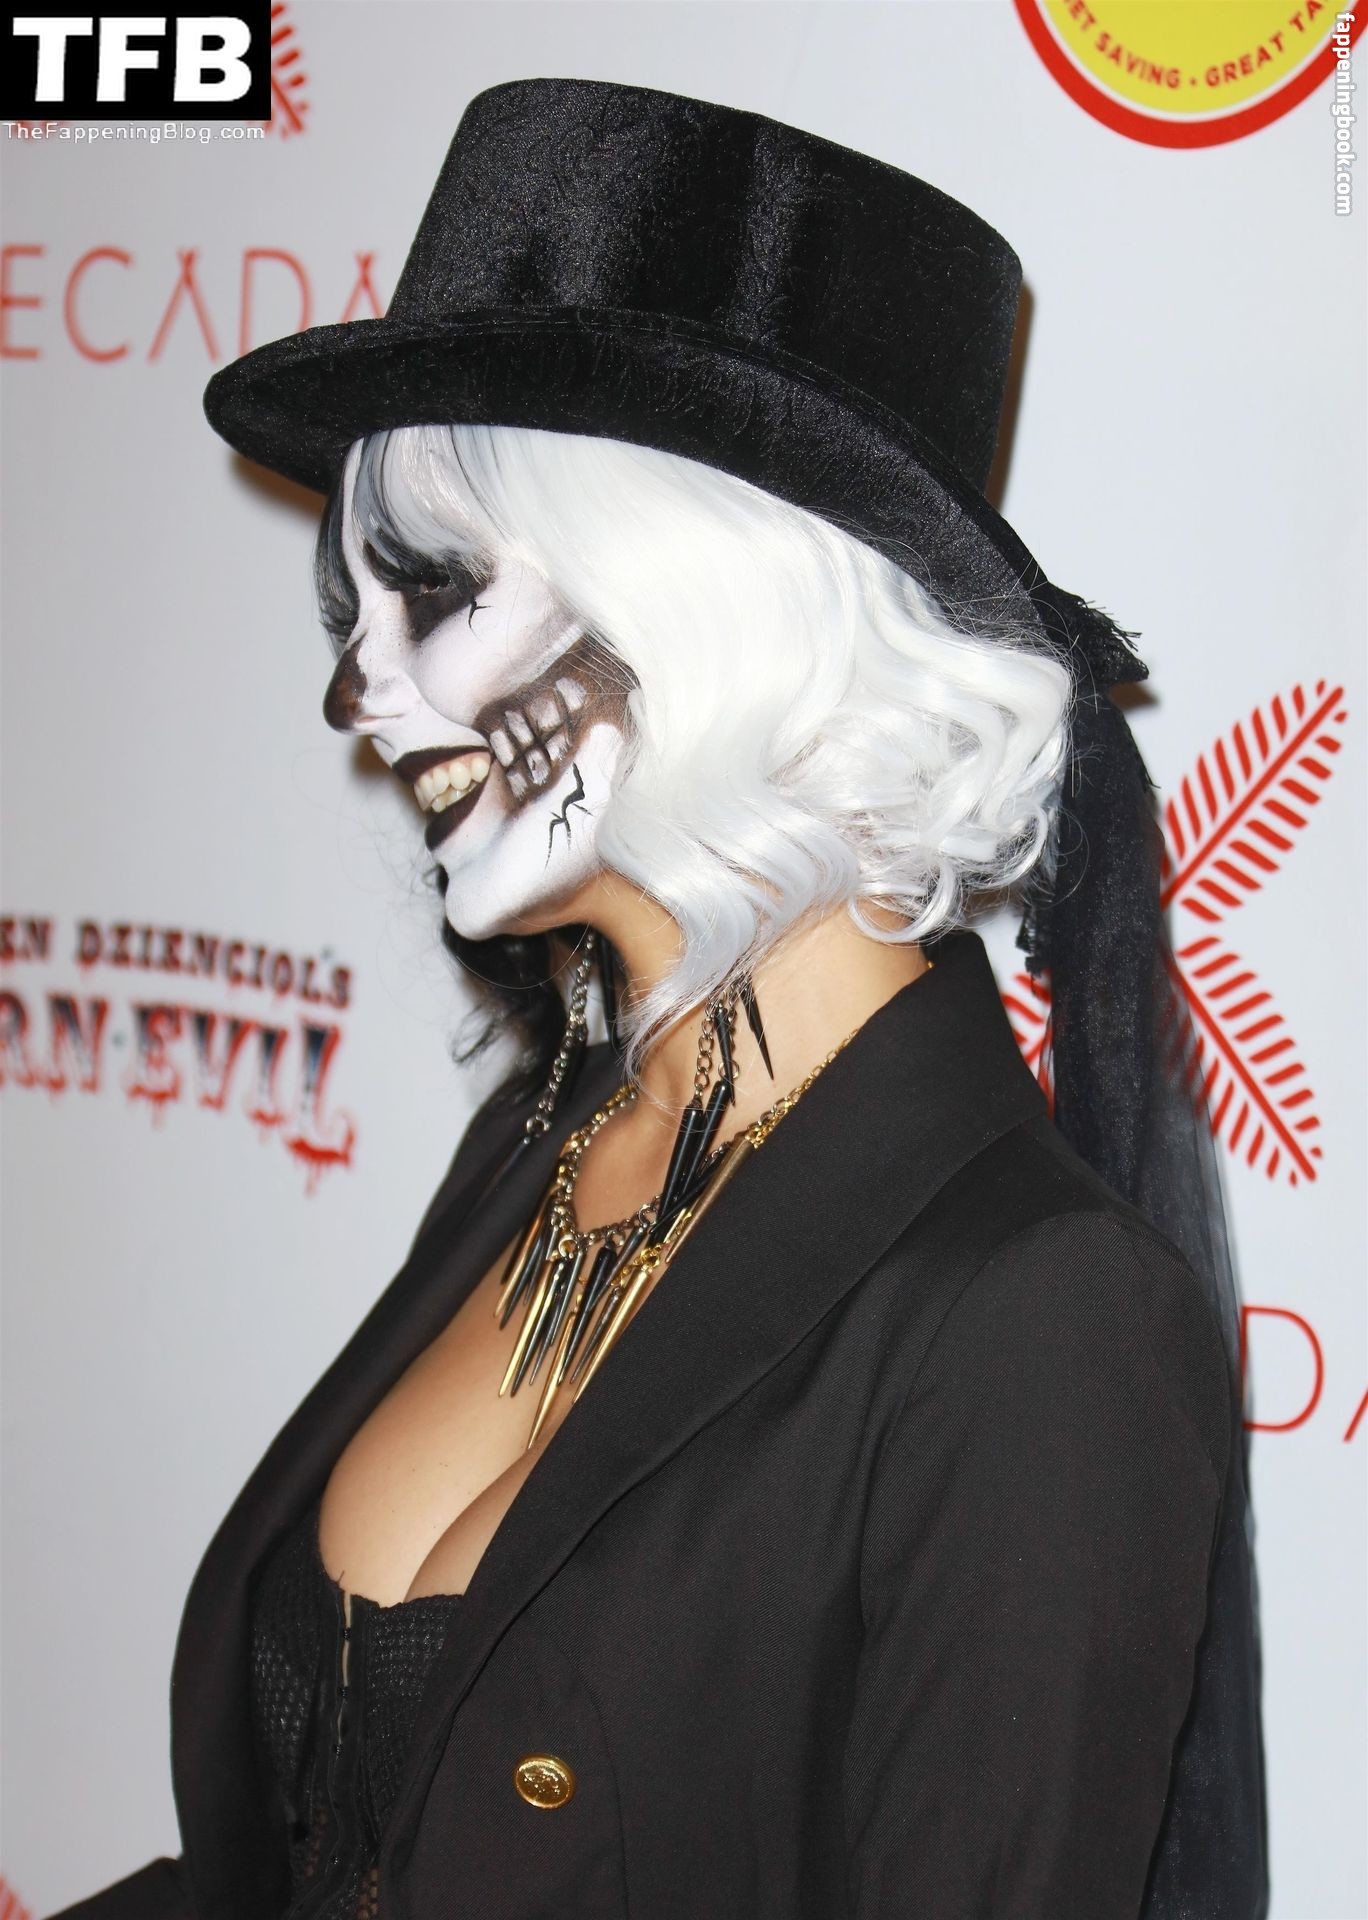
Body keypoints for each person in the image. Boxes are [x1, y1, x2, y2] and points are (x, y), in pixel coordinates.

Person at [56, 78, 1268, 1920]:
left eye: (433, 592)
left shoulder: (1038, 1316)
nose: (360, 698)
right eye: (349, 620)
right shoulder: (535, 1147)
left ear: (714, 601)